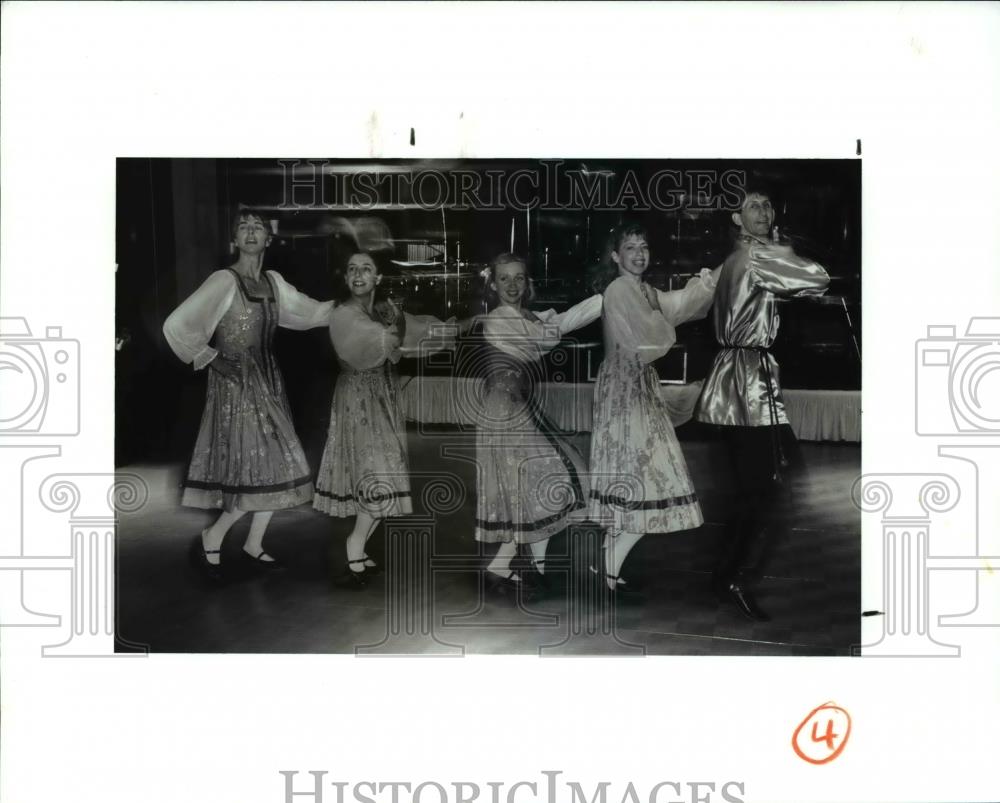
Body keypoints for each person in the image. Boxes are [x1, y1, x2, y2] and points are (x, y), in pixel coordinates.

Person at [162, 207, 335, 579]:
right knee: (254, 469)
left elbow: (313, 313)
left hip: (269, 383)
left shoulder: (273, 283)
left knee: (279, 465)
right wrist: (212, 359)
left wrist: (351, 309)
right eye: (243, 227)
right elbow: (176, 325)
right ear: (234, 240)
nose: (251, 232)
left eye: (258, 226)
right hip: (235, 388)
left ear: (268, 238)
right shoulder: (224, 281)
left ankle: (254, 543)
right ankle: (213, 535)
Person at [694, 188, 830, 621]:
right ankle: (730, 576)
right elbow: (817, 277)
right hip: (747, 385)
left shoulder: (736, 260)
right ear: (736, 217)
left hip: (737, 379)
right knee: (768, 489)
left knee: (754, 489)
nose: (764, 211)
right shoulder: (758, 256)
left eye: (769, 204)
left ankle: (725, 574)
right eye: (754, 205)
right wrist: (783, 247)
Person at [589, 223, 721, 597]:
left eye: (643, 246)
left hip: (636, 386)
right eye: (630, 247)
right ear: (615, 256)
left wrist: (710, 280)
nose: (638, 253)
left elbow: (681, 304)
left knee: (638, 475)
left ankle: (607, 562)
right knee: (652, 477)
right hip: (624, 390)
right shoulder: (620, 290)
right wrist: (660, 314)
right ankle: (610, 563)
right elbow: (649, 339)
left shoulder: (642, 289)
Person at [313, 252, 457, 588]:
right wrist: (399, 323)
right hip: (357, 401)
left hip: (381, 397)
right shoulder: (344, 315)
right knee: (375, 473)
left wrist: (453, 328)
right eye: (352, 269)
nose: (358, 274)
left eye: (366, 269)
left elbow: (413, 330)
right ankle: (353, 548)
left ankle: (359, 549)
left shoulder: (377, 311)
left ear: (378, 278)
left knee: (386, 473)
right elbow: (390, 339)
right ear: (346, 279)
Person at [475, 253, 602, 600]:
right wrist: (602, 300)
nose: (513, 285)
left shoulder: (524, 316)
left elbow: (556, 323)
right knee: (546, 484)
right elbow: (548, 334)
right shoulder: (500, 319)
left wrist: (601, 300)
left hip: (519, 407)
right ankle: (514, 568)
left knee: (543, 489)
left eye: (519, 278)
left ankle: (515, 567)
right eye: (505, 279)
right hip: (505, 412)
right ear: (493, 284)